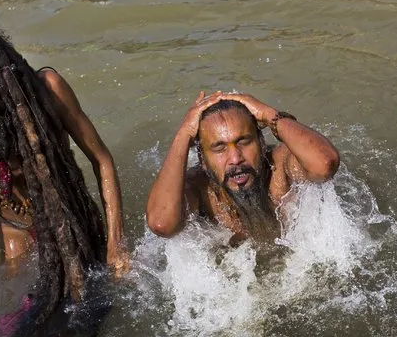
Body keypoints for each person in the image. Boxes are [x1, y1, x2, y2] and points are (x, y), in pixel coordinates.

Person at [0, 25, 128, 337]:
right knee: (20, 328)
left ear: (0, 75)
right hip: (15, 229)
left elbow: (101, 159)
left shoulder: (47, 90)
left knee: (95, 315)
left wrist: (117, 243)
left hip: (68, 216)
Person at [146, 91, 340, 243]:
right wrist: (184, 135)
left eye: (244, 141)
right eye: (219, 148)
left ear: (261, 143)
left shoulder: (279, 166)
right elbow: (162, 224)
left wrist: (269, 114)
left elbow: (324, 164)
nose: (235, 158)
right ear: (203, 160)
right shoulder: (199, 189)